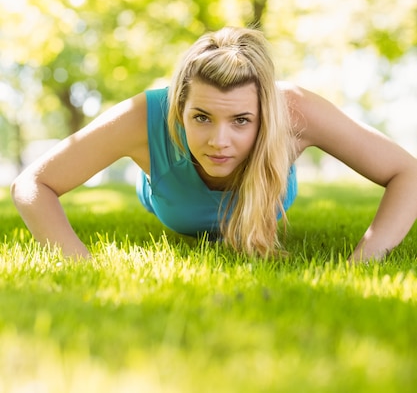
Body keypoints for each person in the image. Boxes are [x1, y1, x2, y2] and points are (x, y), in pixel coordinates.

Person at [11, 26, 417, 262]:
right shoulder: (145, 115)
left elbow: (408, 172)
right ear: (179, 108)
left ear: (265, 115)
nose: (219, 142)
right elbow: (33, 185)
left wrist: (364, 258)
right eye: (201, 118)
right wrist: (80, 264)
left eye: (242, 121)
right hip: (166, 194)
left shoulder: (293, 109)